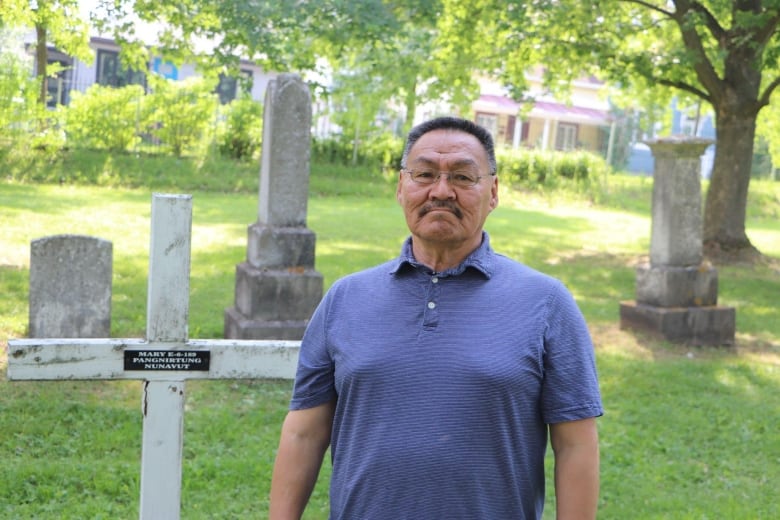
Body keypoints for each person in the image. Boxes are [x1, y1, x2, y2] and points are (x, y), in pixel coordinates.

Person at [269, 116, 603, 519]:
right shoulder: (345, 298)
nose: (441, 191)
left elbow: (576, 445)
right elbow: (304, 432)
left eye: (463, 177)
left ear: (492, 192)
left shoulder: (547, 302)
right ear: (401, 186)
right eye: (424, 174)